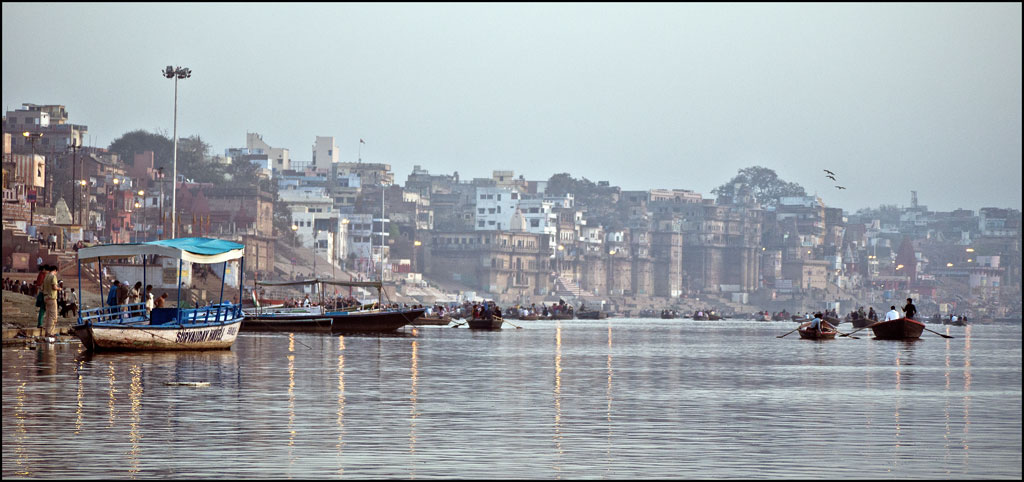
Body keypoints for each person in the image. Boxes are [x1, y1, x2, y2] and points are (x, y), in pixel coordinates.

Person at [41, 264, 59, 341]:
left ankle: (47, 332)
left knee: (48, 316)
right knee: (53, 316)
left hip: (45, 297)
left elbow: (42, 288)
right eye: (56, 272)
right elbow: (54, 287)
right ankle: (50, 333)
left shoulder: (46, 277)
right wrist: (59, 288)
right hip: (51, 298)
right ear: (55, 270)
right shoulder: (53, 276)